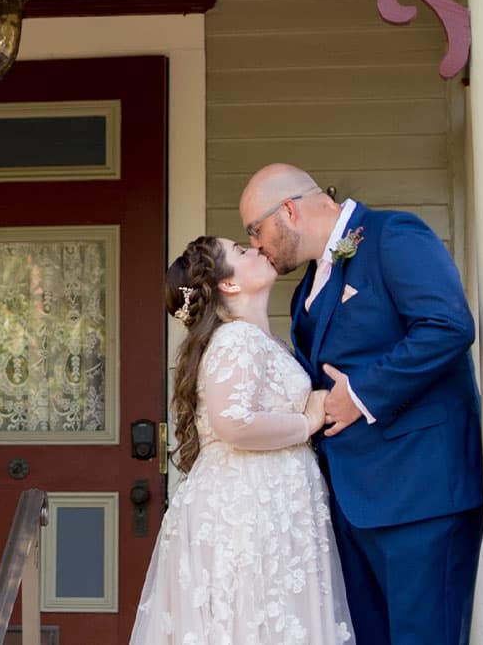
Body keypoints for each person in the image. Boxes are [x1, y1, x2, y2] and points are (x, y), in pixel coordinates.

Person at [239, 163, 483, 645]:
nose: (256, 245)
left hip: (421, 498)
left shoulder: (393, 236)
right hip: (351, 506)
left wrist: (361, 394)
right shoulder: (304, 292)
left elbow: (448, 326)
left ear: (288, 210)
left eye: (255, 230)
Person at [129, 235, 353, 645]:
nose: (255, 250)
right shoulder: (237, 339)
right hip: (248, 505)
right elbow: (234, 423)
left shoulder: (257, 340)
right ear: (229, 285)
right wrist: (306, 422)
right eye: (241, 251)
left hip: (263, 499)